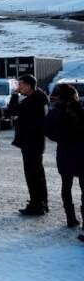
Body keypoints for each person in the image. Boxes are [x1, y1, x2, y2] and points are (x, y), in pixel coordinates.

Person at [43, 83, 84, 230]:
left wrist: (59, 138)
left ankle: (70, 218)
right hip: (82, 153)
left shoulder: (55, 112)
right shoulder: (81, 109)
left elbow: (46, 129)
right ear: (75, 95)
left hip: (65, 153)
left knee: (66, 187)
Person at [10, 74, 50, 216]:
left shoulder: (32, 102)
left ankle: (36, 205)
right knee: (38, 174)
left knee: (32, 175)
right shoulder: (38, 98)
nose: (18, 87)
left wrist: (14, 95)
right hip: (35, 142)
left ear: (28, 86)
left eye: (20, 85)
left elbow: (12, 110)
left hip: (30, 143)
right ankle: (42, 202)